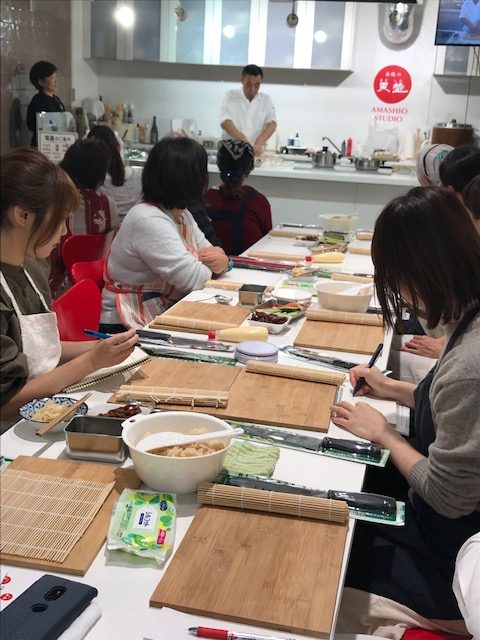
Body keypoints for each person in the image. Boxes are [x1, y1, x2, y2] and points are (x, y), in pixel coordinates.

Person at [331, 187, 480, 634]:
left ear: (419, 273)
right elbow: (456, 414)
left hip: (453, 562)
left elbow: (449, 497)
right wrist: (392, 388)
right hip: (444, 525)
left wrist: (384, 433)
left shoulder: (469, 365)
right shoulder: (468, 321)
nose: (398, 295)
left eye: (395, 282)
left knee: (328, 557)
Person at [0, 148, 138, 423]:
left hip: (41, 414)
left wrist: (102, 348)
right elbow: (6, 403)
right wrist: (91, 361)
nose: (64, 231)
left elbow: (37, 349)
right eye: (60, 219)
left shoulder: (32, 267)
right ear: (22, 215)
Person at [101, 137, 230, 332]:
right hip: (123, 325)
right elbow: (194, 279)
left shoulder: (181, 214)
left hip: (159, 310)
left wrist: (223, 261)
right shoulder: (148, 219)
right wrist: (213, 262)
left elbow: (213, 254)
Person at [48, 139, 120, 296]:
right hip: (94, 286)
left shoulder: (53, 202)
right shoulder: (107, 205)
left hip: (53, 288)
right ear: (100, 175)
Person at [206, 139, 272, 255]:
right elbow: (267, 240)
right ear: (249, 169)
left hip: (213, 264)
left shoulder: (207, 198)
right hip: (248, 265)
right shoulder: (258, 201)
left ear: (219, 165)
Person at [219, 64, 277, 157]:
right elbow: (225, 122)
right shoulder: (230, 96)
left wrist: (259, 142)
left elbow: (272, 124)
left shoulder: (266, 100)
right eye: (249, 84)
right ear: (242, 80)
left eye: (257, 85)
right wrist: (244, 141)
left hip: (254, 153)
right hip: (230, 153)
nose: (252, 89)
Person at [87, 125, 142, 220]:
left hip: (103, 228)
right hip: (134, 227)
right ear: (119, 147)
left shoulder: (93, 182)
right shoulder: (139, 176)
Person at [26, 61, 65, 147]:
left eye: (56, 77)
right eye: (52, 78)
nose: (56, 81)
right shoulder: (38, 101)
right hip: (43, 145)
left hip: (57, 143)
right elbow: (32, 125)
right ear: (41, 82)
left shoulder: (56, 99)